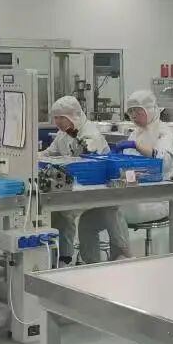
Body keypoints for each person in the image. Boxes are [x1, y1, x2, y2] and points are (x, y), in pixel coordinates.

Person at [40, 96, 132, 265]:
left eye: (61, 117)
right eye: (55, 117)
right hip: (76, 186)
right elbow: (50, 153)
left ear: (73, 116)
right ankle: (64, 257)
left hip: (98, 190)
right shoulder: (63, 134)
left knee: (67, 211)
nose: (57, 122)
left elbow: (89, 160)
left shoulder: (90, 134)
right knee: (57, 211)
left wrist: (82, 148)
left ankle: (121, 256)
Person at [112, 90, 173, 224]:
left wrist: (137, 146)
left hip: (156, 197)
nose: (133, 115)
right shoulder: (136, 133)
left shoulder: (163, 133)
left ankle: (120, 238)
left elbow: (164, 163)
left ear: (150, 110)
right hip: (134, 190)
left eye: (138, 111)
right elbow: (128, 166)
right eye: (130, 111)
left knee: (116, 213)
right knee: (103, 210)